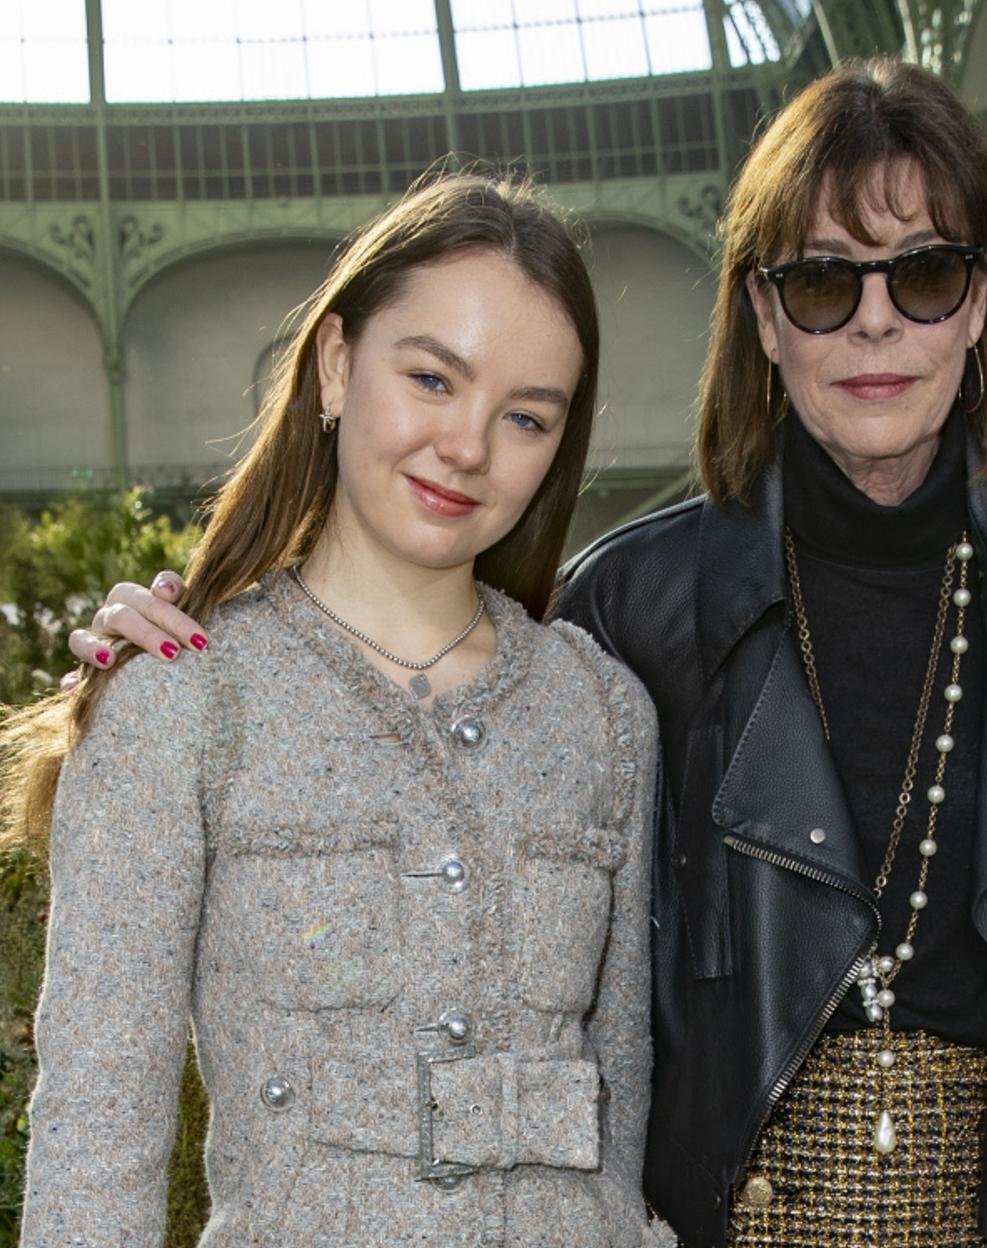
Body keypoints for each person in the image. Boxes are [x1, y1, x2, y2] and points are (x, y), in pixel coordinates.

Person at [62, 60, 987, 1248]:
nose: (877, 322)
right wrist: (185, 659)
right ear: (766, 318)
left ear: (982, 301)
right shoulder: (635, 609)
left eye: (926, 275)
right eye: (826, 284)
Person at [2, 172, 674, 1248]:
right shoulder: (181, 698)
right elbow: (95, 1133)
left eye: (525, 416)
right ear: (335, 363)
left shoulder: (602, 712)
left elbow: (624, 1100)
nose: (468, 447)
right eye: (431, 378)